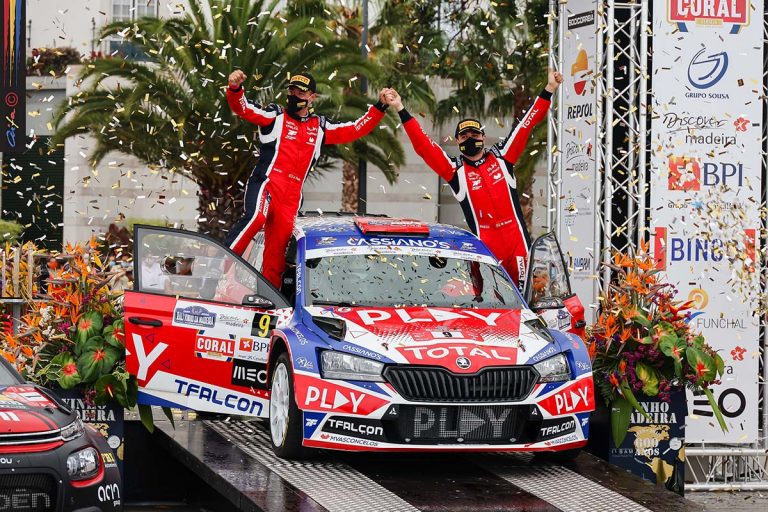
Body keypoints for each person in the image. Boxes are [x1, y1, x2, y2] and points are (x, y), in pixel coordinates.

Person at [385, 70, 563, 289]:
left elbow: (526, 124)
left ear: (483, 137)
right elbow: (424, 147)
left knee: (525, 297)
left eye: (475, 135)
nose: (470, 139)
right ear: (458, 141)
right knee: (490, 297)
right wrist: (401, 108)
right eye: (465, 136)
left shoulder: (503, 156)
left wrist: (549, 89)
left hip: (517, 244)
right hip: (487, 250)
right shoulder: (455, 171)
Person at [225, 70, 393, 287]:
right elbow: (243, 108)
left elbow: (354, 130)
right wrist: (235, 89)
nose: (295, 95)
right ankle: (221, 263)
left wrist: (379, 108)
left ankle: (269, 300)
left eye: (301, 92)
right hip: (268, 183)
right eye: (292, 90)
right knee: (256, 218)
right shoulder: (274, 116)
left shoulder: (320, 126)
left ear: (312, 97)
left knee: (276, 254)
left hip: (292, 195)